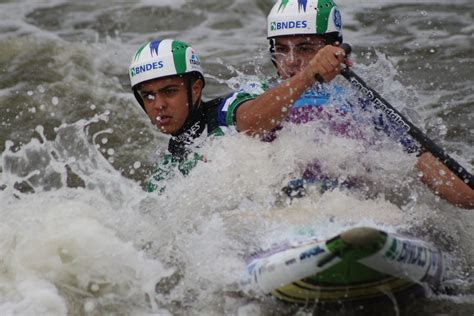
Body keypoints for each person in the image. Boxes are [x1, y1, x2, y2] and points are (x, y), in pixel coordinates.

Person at [211, 0, 474, 208]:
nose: (290, 61)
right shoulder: (254, 92)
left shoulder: (363, 104)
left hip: (352, 209)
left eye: (304, 48)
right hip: (279, 210)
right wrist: (308, 73)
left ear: (334, 49)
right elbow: (249, 125)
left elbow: (430, 172)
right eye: (281, 49)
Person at [129, 39, 228, 192]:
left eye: (169, 91)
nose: (159, 105)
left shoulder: (230, 114)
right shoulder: (162, 176)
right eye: (148, 95)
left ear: (195, 89)